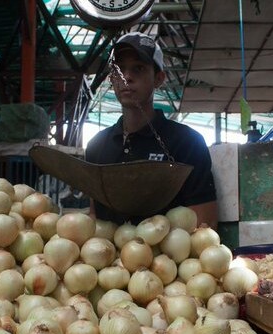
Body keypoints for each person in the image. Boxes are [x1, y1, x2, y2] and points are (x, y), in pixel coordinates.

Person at [85, 32, 218, 229]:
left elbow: (205, 224)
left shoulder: (187, 142)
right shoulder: (97, 145)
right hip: (107, 257)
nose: (126, 77)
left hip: (169, 259)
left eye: (138, 69)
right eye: (119, 70)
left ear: (159, 79)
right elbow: (95, 217)